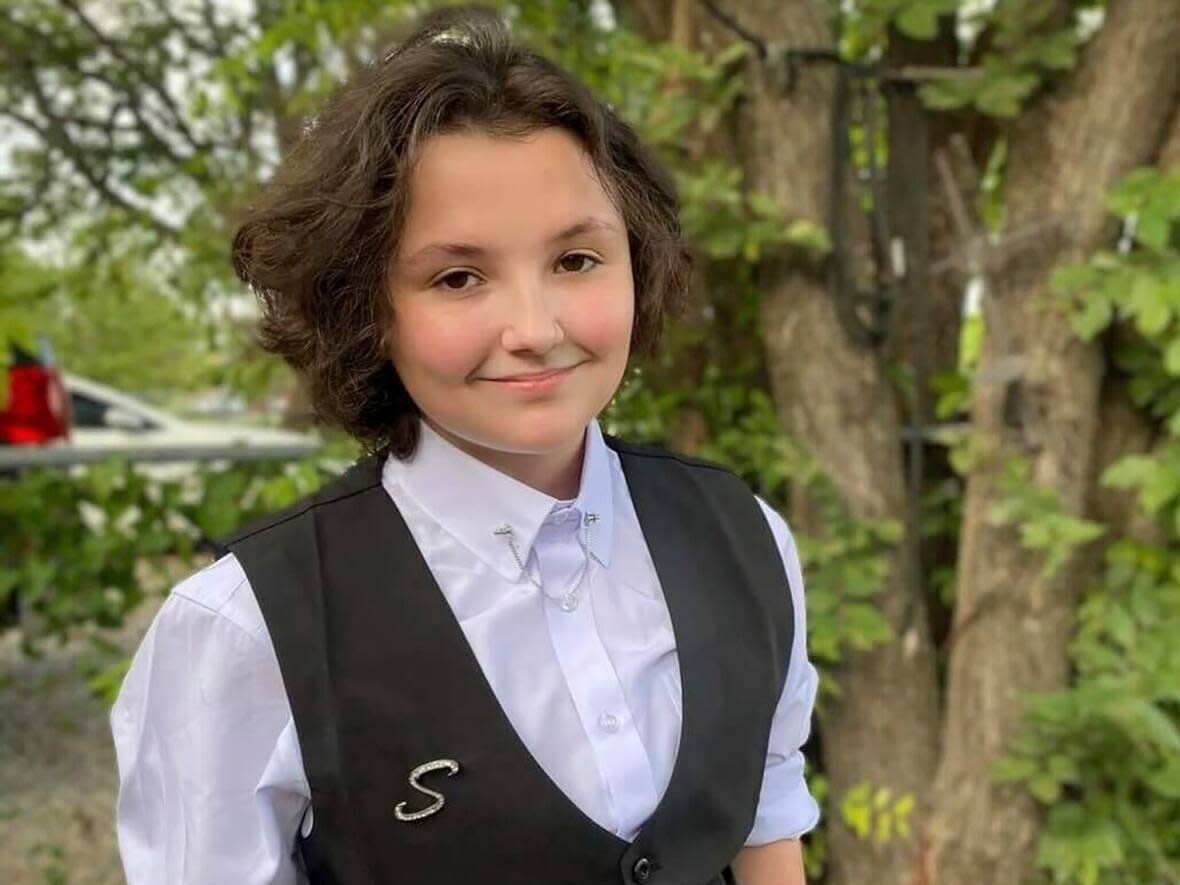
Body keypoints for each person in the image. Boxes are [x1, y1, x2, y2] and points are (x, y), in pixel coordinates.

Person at [110, 5, 820, 883]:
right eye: (457, 276)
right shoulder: (248, 629)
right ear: (366, 306)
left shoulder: (745, 540)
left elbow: (765, 823)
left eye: (576, 260)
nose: (534, 327)